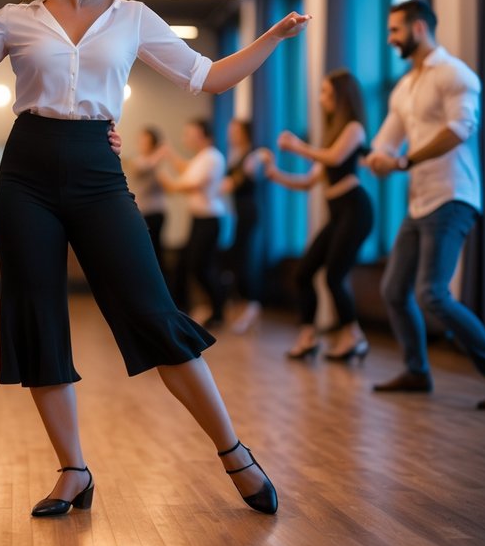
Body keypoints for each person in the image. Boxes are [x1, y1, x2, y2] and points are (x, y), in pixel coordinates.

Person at [0, 0, 309, 517]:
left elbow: (209, 77)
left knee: (153, 313)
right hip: (25, 175)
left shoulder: (131, 16)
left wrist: (274, 37)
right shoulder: (13, 19)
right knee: (38, 318)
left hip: (97, 168)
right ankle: (72, 471)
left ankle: (235, 453)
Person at [365, 0, 485, 410]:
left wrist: (401, 160)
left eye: (395, 31)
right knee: (394, 289)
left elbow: (460, 129)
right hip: (420, 201)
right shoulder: (406, 86)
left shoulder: (456, 74)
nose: (390, 39)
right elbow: (388, 136)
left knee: (432, 294)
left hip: (453, 196)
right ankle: (418, 371)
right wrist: (378, 155)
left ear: (418, 28)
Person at [260, 70, 374, 361]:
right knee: (304, 273)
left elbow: (335, 158)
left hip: (356, 210)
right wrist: (276, 175)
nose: (321, 99)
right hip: (338, 215)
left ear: (341, 95)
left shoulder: (354, 129)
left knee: (334, 276)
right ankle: (308, 336)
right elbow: (308, 183)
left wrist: (298, 146)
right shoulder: (332, 134)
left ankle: (354, 337)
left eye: (325, 92)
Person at [159, 118, 227, 328]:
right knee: (188, 265)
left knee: (200, 267)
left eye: (190, 133)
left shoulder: (212, 157)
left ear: (202, 135)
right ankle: (186, 310)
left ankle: (217, 310)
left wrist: (167, 182)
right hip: (199, 219)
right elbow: (187, 170)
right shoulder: (202, 157)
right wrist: (170, 156)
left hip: (209, 219)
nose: (186, 137)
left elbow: (192, 183)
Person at [219, 119, 264, 334]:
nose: (230, 134)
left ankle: (252, 304)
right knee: (234, 257)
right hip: (236, 212)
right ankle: (240, 304)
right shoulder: (236, 154)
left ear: (245, 133)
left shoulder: (253, 155)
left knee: (244, 257)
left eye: (234, 130)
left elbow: (236, 181)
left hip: (248, 211)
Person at [124, 126, 168, 279]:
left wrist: (161, 154)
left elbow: (168, 183)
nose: (141, 142)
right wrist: (161, 153)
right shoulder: (143, 161)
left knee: (155, 253)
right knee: (145, 253)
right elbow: (141, 167)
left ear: (152, 143)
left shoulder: (157, 163)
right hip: (143, 212)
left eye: (145, 140)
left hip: (155, 212)